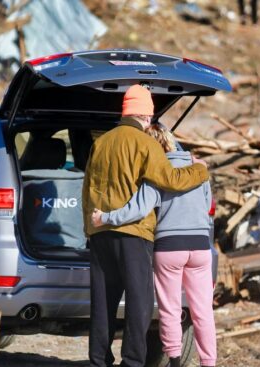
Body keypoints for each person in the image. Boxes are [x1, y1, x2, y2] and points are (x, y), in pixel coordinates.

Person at [82, 84, 210, 367]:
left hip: (101, 233)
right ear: (145, 115)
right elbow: (171, 180)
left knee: (102, 303)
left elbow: (87, 188)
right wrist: (200, 170)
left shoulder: (101, 142)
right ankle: (132, 362)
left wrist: (89, 229)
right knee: (139, 304)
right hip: (134, 234)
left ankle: (98, 360)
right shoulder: (146, 143)